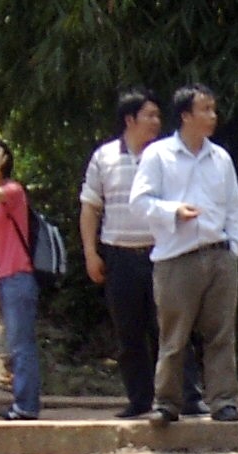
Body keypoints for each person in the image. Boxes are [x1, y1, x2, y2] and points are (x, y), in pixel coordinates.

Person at [80, 89, 204, 420]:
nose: (157, 122)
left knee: (173, 327)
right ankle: (139, 398)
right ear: (129, 119)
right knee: (129, 331)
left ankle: (188, 396)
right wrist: (91, 253)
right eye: (149, 115)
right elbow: (91, 207)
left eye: (158, 116)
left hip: (162, 252)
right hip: (119, 254)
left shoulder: (166, 156)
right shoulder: (103, 157)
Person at [130, 84, 238, 423]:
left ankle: (223, 400)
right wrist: (172, 211)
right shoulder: (158, 155)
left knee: (221, 334)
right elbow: (139, 202)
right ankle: (167, 403)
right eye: (205, 109)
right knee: (174, 336)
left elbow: (235, 208)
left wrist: (234, 246)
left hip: (219, 255)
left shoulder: (221, 157)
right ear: (185, 115)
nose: (212, 116)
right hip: (176, 258)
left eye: (213, 109)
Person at [0, 138, 42, 420]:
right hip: (8, 278)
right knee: (16, 344)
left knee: (21, 344)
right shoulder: (2, 199)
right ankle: (22, 401)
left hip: (20, 276)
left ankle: (26, 405)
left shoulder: (12, 191)